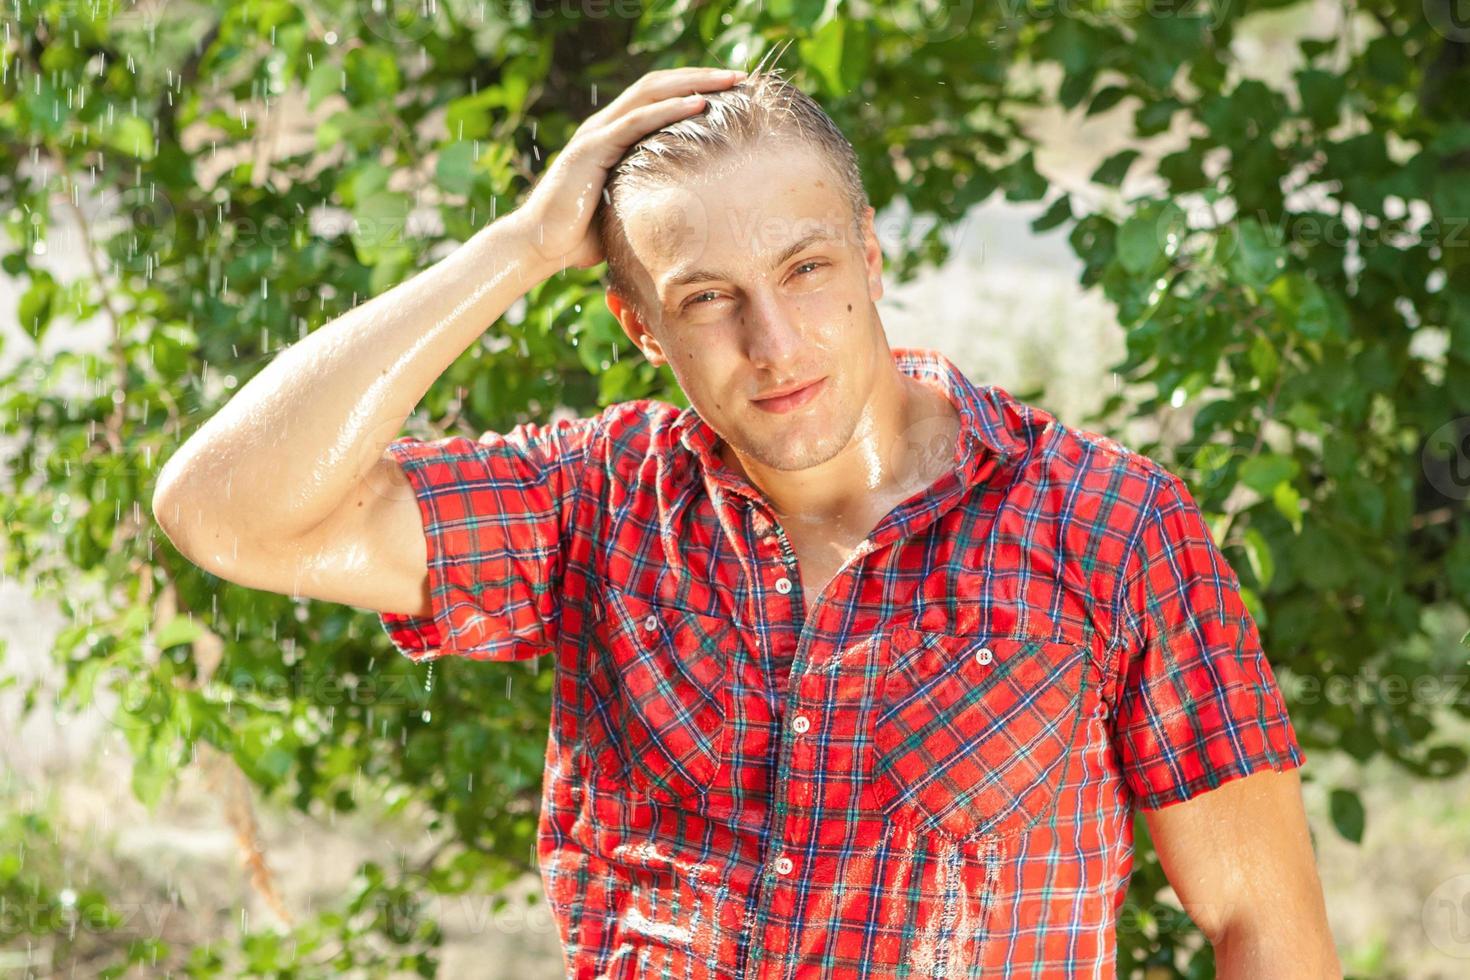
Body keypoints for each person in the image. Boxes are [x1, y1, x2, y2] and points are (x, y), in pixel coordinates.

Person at [152, 60, 1341, 979]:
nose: (773, 346)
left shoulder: (1107, 526)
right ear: (640, 328)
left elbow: (1263, 924)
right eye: (708, 299)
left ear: (871, 255)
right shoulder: (597, 501)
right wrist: (520, 244)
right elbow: (225, 512)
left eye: (807, 270)